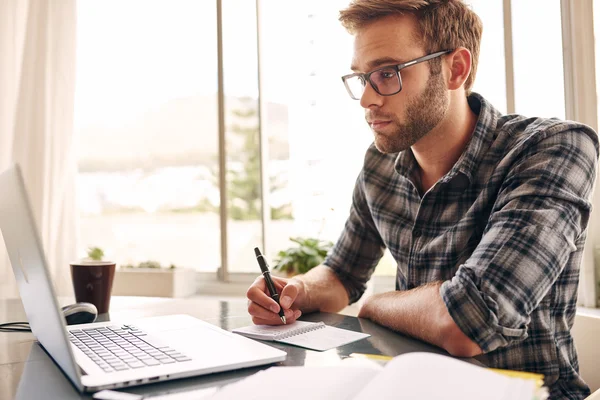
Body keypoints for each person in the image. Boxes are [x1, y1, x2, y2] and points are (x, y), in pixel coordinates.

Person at [245, 1, 599, 398]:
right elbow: (343, 273)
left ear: (456, 69)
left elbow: (472, 321)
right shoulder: (380, 165)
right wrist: (297, 292)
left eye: (387, 73)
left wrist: (377, 305)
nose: (367, 100)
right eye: (363, 78)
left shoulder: (552, 148)